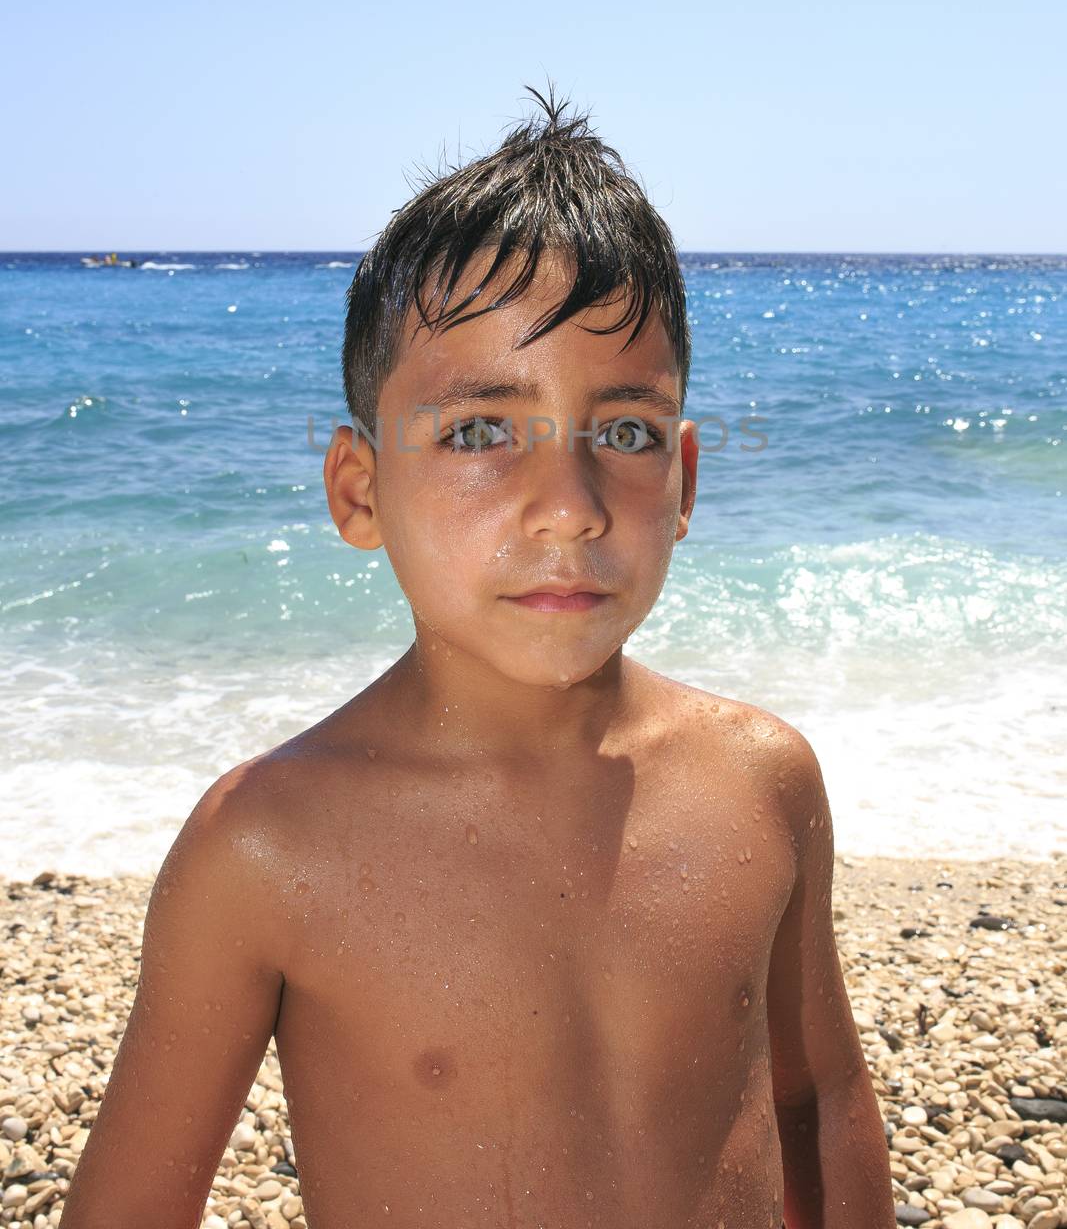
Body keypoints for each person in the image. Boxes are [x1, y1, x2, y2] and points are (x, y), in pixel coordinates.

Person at [61, 84, 896, 1228]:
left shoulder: (760, 781)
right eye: (478, 431)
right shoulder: (265, 846)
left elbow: (819, 1096)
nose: (567, 506)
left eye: (624, 432)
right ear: (359, 491)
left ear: (686, 480)